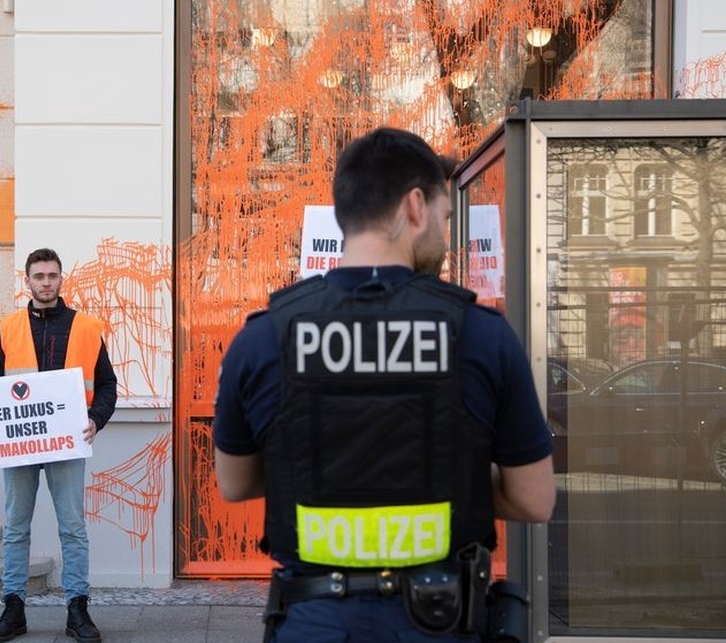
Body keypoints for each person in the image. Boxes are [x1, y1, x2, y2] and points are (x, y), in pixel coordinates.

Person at [212, 127, 555, 642]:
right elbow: (534, 500)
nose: (446, 230)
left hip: (313, 621)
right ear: (414, 206)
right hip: (438, 619)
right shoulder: (482, 335)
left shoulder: (265, 337)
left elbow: (235, 483)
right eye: (445, 215)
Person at [0, 248, 117, 643]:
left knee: (73, 528)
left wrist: (97, 420)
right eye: (38, 276)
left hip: (68, 441)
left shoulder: (87, 328)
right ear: (27, 281)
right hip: (20, 445)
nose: (45, 282)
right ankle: (13, 608)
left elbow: (107, 385)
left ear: (62, 279)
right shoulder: (7, 327)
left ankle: (78, 608)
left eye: (52, 275)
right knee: (16, 529)